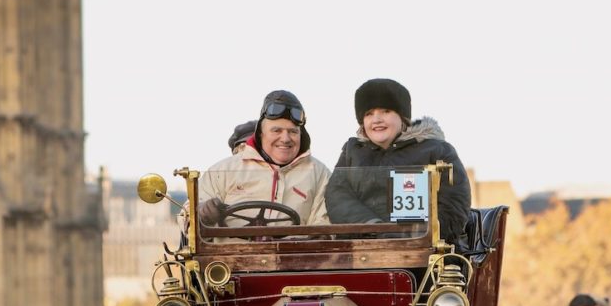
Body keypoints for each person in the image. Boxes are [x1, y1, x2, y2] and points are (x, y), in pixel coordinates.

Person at [324, 78, 471, 243]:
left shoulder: (436, 150)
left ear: (403, 117)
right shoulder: (352, 151)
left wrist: (415, 239)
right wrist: (373, 227)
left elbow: (454, 206)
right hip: (362, 247)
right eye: (369, 114)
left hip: (421, 250)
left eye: (386, 111)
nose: (377, 119)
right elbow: (337, 196)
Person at [191, 90, 330, 231]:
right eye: (276, 131)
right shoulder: (223, 171)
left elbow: (324, 223)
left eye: (293, 131)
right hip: (231, 252)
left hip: (292, 252)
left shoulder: (318, 173)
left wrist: (315, 237)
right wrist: (202, 213)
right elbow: (187, 218)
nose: (286, 138)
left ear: (301, 134)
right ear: (261, 134)